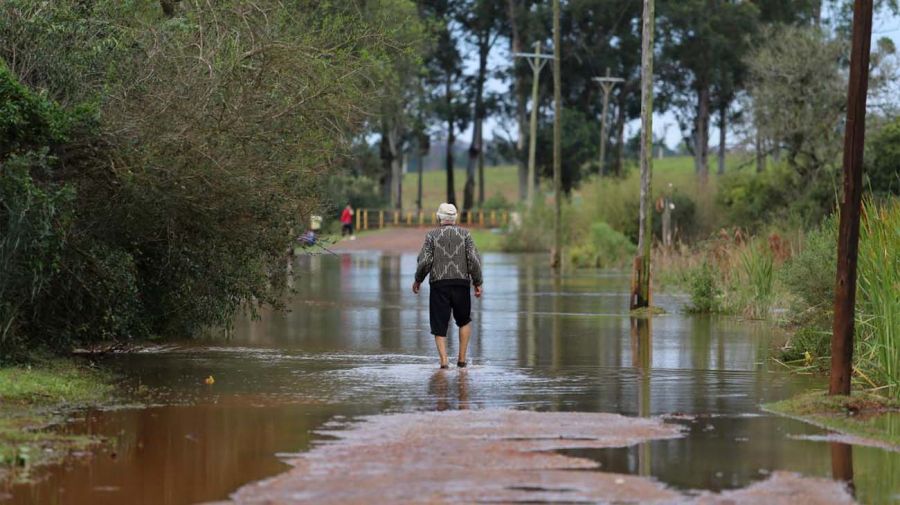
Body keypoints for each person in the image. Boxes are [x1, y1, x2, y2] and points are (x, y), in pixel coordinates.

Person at [412, 203, 483, 369]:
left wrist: (418, 279)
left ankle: (444, 362)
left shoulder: (432, 236)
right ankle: (462, 360)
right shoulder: (465, 234)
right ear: (455, 218)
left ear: (439, 217)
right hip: (461, 283)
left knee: (439, 323)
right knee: (464, 320)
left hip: (439, 284)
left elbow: (425, 261)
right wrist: (477, 282)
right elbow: (473, 259)